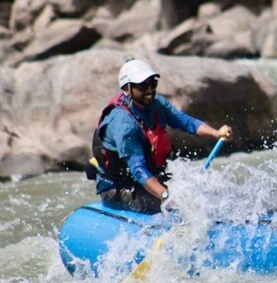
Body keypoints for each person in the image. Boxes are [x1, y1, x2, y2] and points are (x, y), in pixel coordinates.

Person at [88, 58, 233, 214]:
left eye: (153, 83)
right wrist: (166, 196)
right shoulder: (124, 124)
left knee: (204, 193)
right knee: (179, 206)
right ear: (126, 88)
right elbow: (138, 170)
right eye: (143, 86)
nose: (150, 90)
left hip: (150, 177)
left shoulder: (157, 104)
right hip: (119, 188)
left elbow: (185, 122)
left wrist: (216, 133)